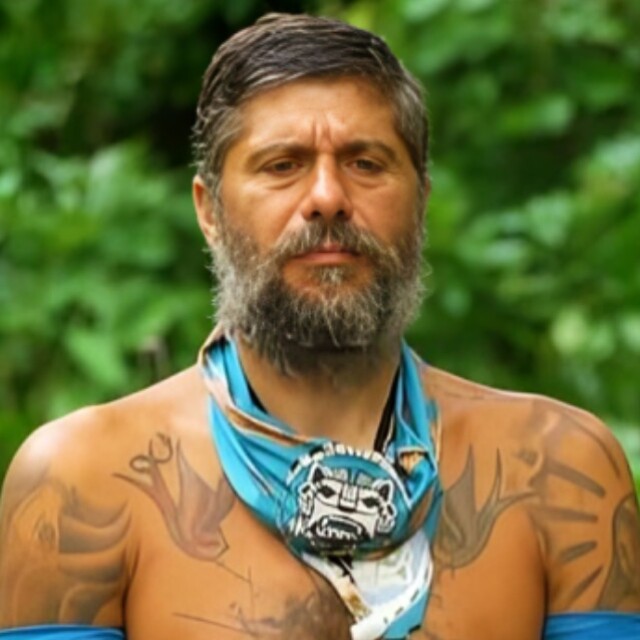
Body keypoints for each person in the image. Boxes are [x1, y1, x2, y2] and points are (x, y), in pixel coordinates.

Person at [0, 12, 639, 640]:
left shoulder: (560, 473)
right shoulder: (83, 483)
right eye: (283, 165)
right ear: (210, 211)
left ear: (421, 201)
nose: (328, 197)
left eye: (366, 163)